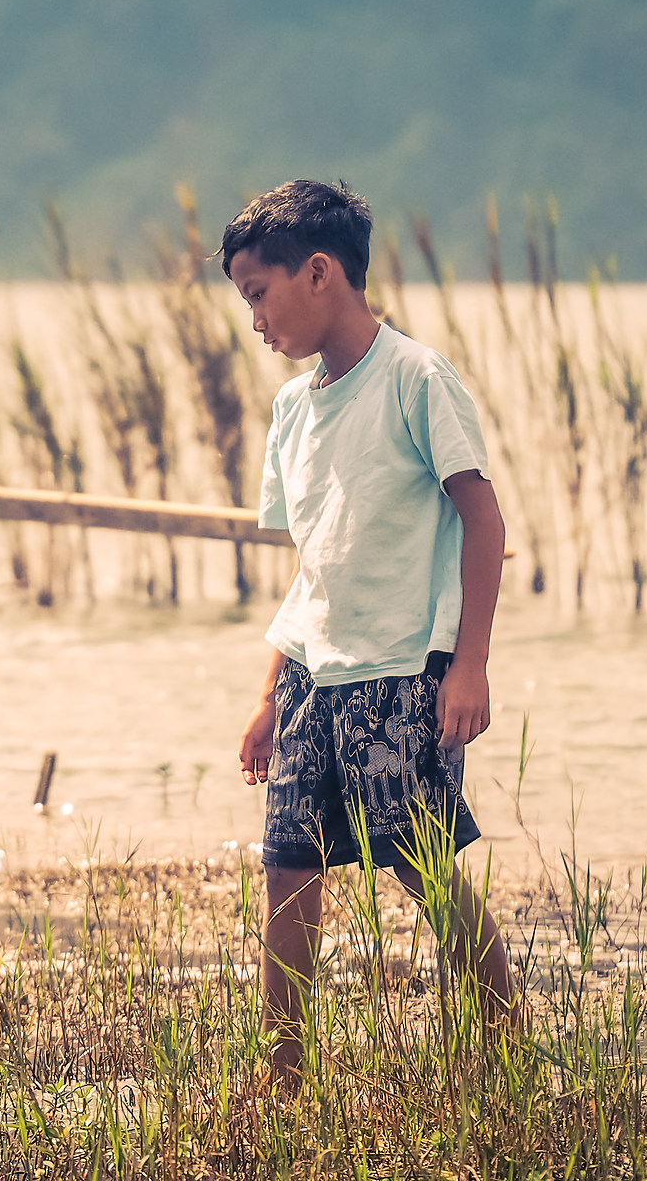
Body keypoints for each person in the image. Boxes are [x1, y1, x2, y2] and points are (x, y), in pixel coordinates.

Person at [223, 178, 520, 1090]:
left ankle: (498, 1053)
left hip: (404, 671)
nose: (257, 320)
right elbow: (312, 563)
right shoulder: (291, 410)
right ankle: (283, 1074)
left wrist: (466, 666)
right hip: (316, 676)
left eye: (260, 294)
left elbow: (485, 524)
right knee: (288, 869)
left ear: (320, 273)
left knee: (418, 862)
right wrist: (273, 691)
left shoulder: (416, 379)